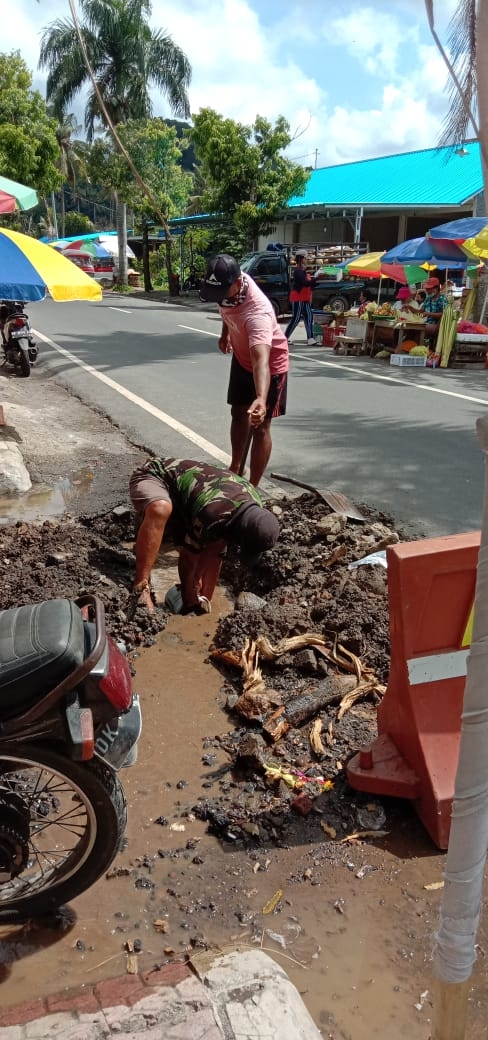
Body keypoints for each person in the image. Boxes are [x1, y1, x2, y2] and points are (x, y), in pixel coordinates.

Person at [127, 457, 280, 616]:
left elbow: (216, 553)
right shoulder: (214, 514)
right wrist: (190, 600)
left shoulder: (254, 507)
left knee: (214, 543)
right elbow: (187, 559)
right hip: (153, 475)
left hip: (188, 500)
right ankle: (140, 588)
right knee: (161, 509)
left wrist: (205, 600)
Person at [199, 253, 289, 487]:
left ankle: (253, 486)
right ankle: (236, 466)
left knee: (261, 426)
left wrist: (260, 398)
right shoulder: (228, 288)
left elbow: (261, 361)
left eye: (221, 292)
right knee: (238, 414)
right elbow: (225, 308)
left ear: (238, 283)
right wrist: (225, 334)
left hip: (270, 367)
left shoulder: (258, 314)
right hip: (241, 357)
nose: (218, 298)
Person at [284, 250, 317, 344]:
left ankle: (310, 338)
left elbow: (310, 285)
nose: (306, 260)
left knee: (309, 316)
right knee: (296, 318)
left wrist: (318, 280)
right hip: (298, 298)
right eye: (305, 258)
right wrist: (317, 278)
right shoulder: (298, 271)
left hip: (305, 298)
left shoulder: (303, 271)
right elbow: (305, 283)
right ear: (301, 259)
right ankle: (285, 337)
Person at [422, 277, 448, 343]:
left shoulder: (442, 299)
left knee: (421, 329)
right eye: (427, 289)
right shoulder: (428, 299)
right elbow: (420, 311)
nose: (427, 291)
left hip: (438, 326)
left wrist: (429, 314)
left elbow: (444, 314)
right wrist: (409, 307)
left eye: (429, 289)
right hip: (426, 323)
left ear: (436, 288)